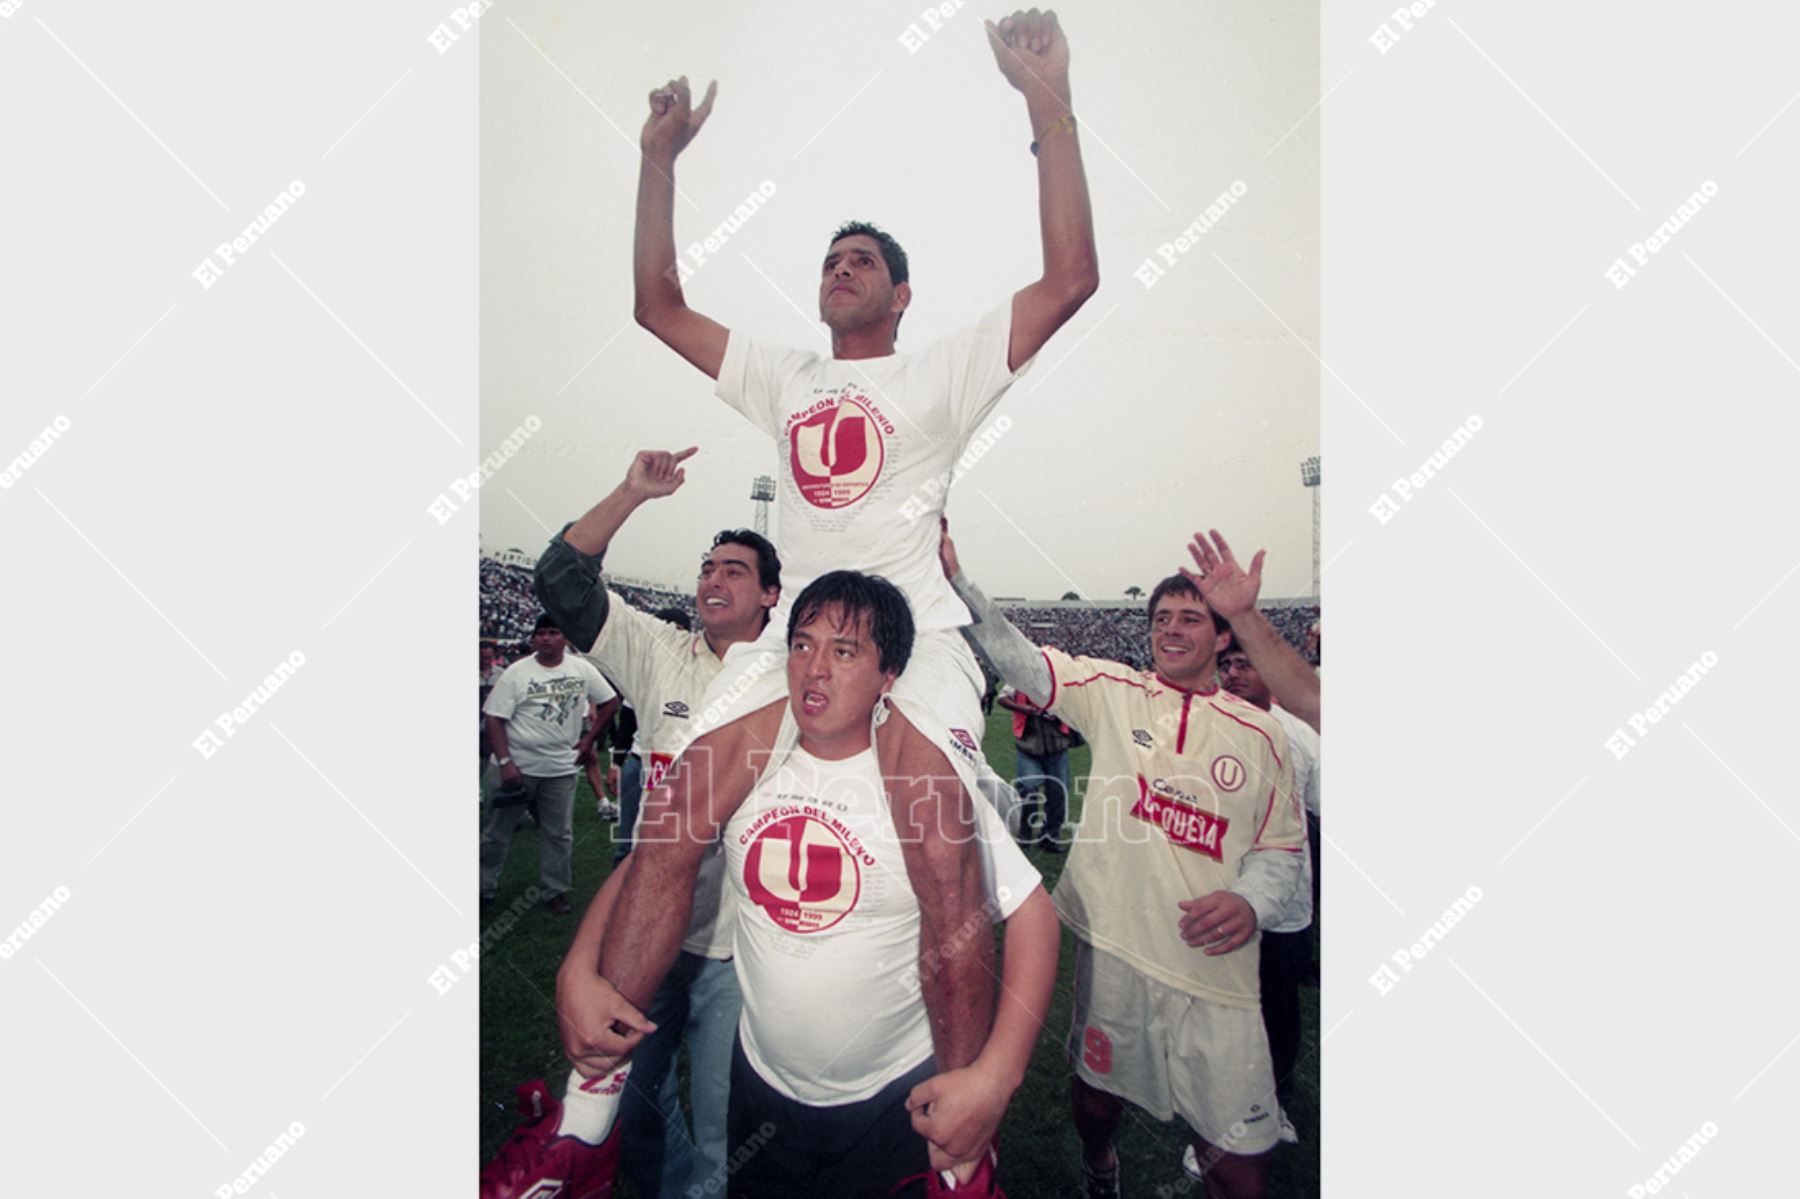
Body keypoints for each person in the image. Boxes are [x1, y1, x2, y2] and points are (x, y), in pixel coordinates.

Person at [606, 17, 1098, 1178]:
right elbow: (656, 302)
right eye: (831, 257)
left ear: (903, 292)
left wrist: (1048, 107)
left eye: (864, 258)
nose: (841, 267)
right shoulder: (785, 372)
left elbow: (1072, 277)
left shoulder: (940, 369)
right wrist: (660, 160)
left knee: (934, 844)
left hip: (913, 633)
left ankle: (955, 1148)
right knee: (674, 816)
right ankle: (580, 1114)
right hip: (797, 635)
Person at [564, 572, 1059, 1197]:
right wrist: (581, 964)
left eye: (844, 651)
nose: (814, 669)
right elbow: (652, 861)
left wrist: (996, 1075)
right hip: (763, 1085)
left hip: (895, 1094)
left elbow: (1034, 914)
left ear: (890, 675)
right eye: (802, 645)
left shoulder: (922, 780)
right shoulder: (750, 761)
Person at [941, 526, 1303, 1199]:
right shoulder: (1114, 690)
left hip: (1215, 974)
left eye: (1190, 618)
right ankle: (1100, 1166)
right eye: (1161, 618)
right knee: (1095, 1106)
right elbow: (1020, 660)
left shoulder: (1263, 734)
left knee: (1242, 1171)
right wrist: (960, 582)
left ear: (1224, 637)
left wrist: (1251, 899)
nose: (1170, 629)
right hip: (1118, 951)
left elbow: (1281, 849)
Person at [481, 448, 781, 1199]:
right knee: (634, 1107)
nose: (713, 577)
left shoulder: (794, 674)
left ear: (772, 594)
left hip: (738, 947)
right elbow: (559, 580)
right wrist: (631, 492)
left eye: (735, 569)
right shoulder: (656, 650)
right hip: (647, 933)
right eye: (708, 566)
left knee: (724, 1127)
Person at [1218, 633, 1320, 1149]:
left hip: (1288, 905)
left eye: (1246, 662)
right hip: (1224, 898)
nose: (1234, 673)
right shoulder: (1206, 727)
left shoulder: (1299, 733)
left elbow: (1322, 814)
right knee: (1230, 1014)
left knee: (1279, 1010)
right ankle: (1222, 1118)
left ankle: (1276, 1104)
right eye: (1228, 664)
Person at [481, 615, 620, 916]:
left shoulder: (581, 669)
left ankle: (555, 891)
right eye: (540, 633)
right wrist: (505, 761)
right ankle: (483, 888)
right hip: (518, 766)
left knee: (558, 834)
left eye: (553, 632)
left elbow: (610, 701)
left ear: (565, 638)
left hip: (560, 768)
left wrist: (589, 740)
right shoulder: (517, 672)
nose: (546, 638)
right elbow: (493, 717)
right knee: (496, 834)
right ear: (532, 640)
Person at [999, 685, 1079, 852]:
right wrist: (1024, 709)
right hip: (1029, 745)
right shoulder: (1019, 678)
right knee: (1029, 789)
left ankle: (1050, 838)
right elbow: (1002, 698)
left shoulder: (1061, 677)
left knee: (1058, 792)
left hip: (1057, 745)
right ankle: (1025, 835)